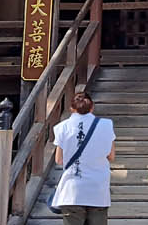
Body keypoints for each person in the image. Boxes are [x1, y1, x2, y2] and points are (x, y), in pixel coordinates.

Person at [50, 87, 116, 224]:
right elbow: (111, 156)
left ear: (71, 108)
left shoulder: (62, 127)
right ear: (92, 107)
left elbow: (59, 160)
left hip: (72, 190)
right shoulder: (106, 125)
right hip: (98, 188)